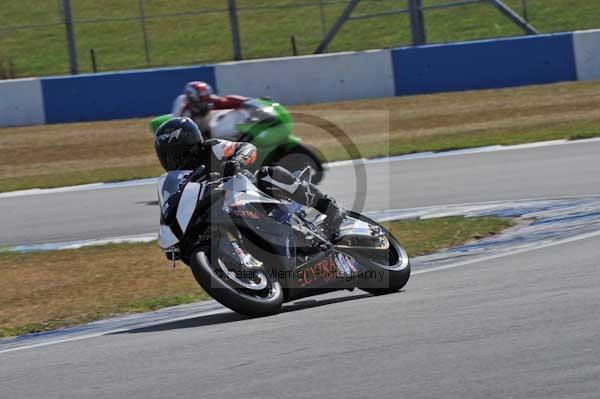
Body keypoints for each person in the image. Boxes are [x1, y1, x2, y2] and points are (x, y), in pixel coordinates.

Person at [154, 117, 345, 238]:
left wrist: (236, 161)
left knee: (267, 174)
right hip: (220, 208)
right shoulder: (177, 179)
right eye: (166, 156)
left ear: (190, 146)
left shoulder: (210, 148)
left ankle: (329, 207)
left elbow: (247, 148)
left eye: (176, 154)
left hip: (249, 193)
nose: (172, 160)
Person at [171, 81, 248, 134]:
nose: (206, 104)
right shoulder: (184, 112)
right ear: (192, 100)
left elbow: (226, 101)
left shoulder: (210, 101)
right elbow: (177, 132)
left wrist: (247, 101)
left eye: (206, 99)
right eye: (202, 101)